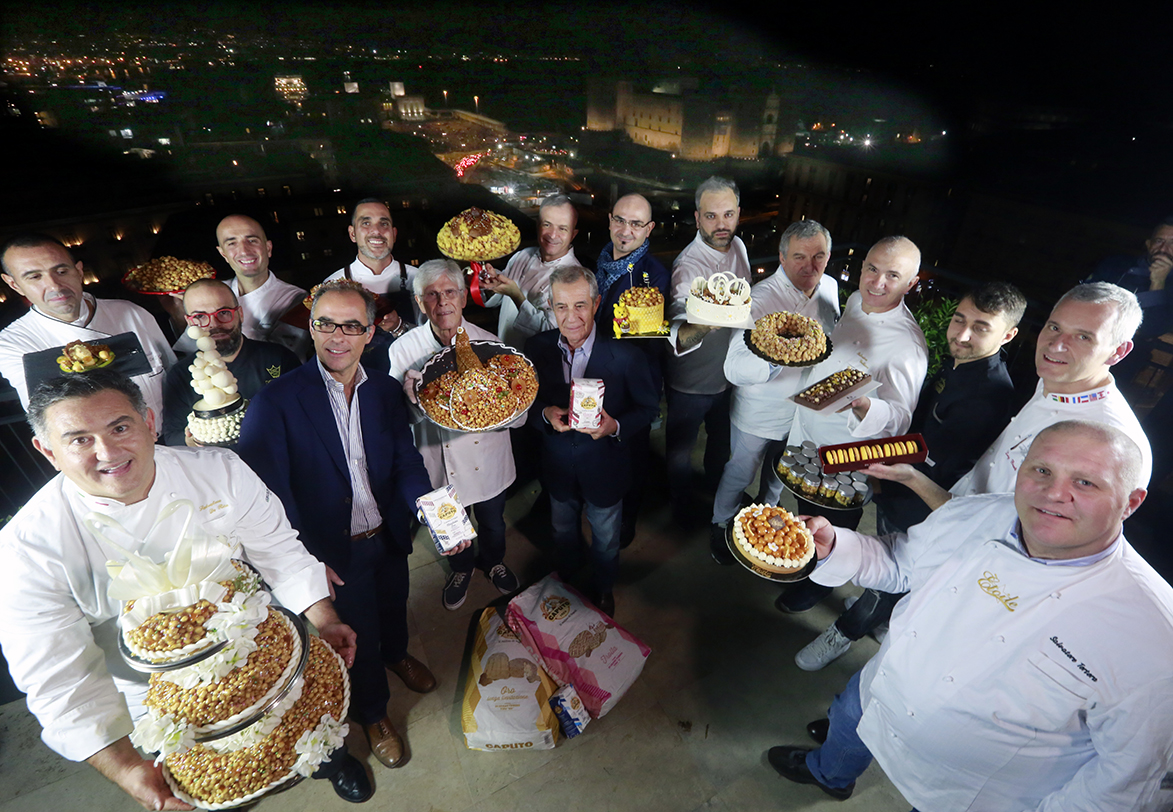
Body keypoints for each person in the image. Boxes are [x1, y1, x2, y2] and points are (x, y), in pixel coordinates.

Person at [0, 370, 369, 808]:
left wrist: (324, 618)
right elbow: (58, 677)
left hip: (266, 656)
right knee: (224, 787)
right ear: (48, 451)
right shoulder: (26, 549)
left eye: (120, 427)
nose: (108, 452)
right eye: (79, 439)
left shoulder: (217, 471)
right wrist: (129, 770)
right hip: (164, 704)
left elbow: (278, 550)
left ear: (150, 423)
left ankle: (335, 761)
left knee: (315, 723)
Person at [769, 421, 1173, 812]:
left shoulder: (1155, 636)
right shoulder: (981, 514)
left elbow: (1126, 784)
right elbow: (901, 562)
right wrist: (834, 545)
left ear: (1130, 502)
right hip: (880, 688)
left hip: (965, 792)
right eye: (1042, 470)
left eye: (1085, 482)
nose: (1054, 493)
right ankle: (829, 775)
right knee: (844, 723)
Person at [238, 279, 448, 772]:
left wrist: (437, 516)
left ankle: (399, 655)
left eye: (351, 325)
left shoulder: (385, 392)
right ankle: (374, 713)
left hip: (389, 534)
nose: (338, 335)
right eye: (326, 323)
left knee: (394, 606)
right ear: (310, 329)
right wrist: (305, 563)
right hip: (331, 554)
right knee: (357, 636)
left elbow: (405, 462)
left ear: (370, 332)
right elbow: (267, 500)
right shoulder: (276, 402)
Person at [794, 282, 1025, 671]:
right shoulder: (958, 363)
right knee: (880, 558)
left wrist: (893, 474)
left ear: (1008, 335)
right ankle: (871, 606)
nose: (962, 334)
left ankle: (846, 632)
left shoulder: (989, 396)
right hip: (899, 482)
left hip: (926, 504)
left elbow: (948, 468)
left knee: (895, 575)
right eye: (959, 319)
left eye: (981, 327)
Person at [870, 282, 1153, 512]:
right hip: (947, 519)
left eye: (1083, 337)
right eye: (1054, 327)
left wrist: (912, 480)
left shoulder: (1114, 440)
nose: (1056, 345)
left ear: (1118, 352)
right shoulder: (1052, 383)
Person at [775, 236, 927, 614]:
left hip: (844, 450)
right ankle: (796, 556)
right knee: (801, 501)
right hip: (807, 426)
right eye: (872, 269)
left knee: (833, 518)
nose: (877, 283)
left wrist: (862, 405)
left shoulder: (908, 346)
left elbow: (899, 418)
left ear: (911, 283)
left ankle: (817, 582)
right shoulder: (857, 301)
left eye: (893, 276)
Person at [388, 259, 522, 610]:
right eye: (431, 295)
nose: (442, 302)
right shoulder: (402, 350)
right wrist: (415, 402)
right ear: (420, 303)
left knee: (493, 523)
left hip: (487, 458)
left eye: (450, 292)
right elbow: (395, 418)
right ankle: (461, 569)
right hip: (438, 461)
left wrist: (496, 413)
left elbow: (516, 409)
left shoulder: (491, 344)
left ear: (464, 298)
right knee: (453, 533)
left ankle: (492, 561)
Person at [525, 266, 659, 617]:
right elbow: (523, 403)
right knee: (562, 529)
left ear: (597, 303)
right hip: (556, 466)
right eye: (561, 307)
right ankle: (567, 580)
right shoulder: (535, 349)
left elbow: (648, 409)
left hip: (605, 468)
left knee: (605, 538)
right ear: (550, 307)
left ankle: (603, 588)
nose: (571, 318)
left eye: (581, 306)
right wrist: (544, 414)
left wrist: (615, 425)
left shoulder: (628, 355)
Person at [711, 220, 840, 565]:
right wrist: (775, 357)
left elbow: (829, 344)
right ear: (782, 258)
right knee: (740, 471)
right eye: (799, 256)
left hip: (803, 412)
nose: (809, 267)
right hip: (759, 410)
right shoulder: (759, 299)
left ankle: (770, 517)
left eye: (819, 256)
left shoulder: (829, 287)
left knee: (780, 474)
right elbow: (733, 367)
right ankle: (720, 522)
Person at [0, 234, 175, 419]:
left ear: (79, 271)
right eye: (35, 277)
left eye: (61, 272)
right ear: (14, 284)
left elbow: (174, 374)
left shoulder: (131, 312)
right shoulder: (12, 344)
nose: (54, 286)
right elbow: (48, 416)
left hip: (172, 438)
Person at [664, 176, 752, 518]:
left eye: (728, 214)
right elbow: (678, 332)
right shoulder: (688, 266)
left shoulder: (740, 247)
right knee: (679, 452)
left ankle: (717, 494)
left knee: (720, 442)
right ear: (697, 217)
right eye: (711, 216)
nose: (721, 224)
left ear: (738, 213)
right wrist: (709, 319)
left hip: (729, 373)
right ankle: (681, 508)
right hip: (691, 380)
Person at [594, 193, 671, 546]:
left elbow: (654, 340)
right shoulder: (599, 260)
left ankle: (626, 522)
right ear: (610, 220)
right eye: (620, 220)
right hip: (596, 372)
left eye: (636, 223)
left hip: (634, 380)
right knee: (599, 446)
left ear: (649, 229)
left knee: (632, 455)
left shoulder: (653, 275)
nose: (626, 230)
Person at [160, 278, 299, 447]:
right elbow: (172, 436)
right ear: (190, 322)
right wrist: (191, 440)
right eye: (200, 316)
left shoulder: (279, 358)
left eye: (223, 312)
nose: (214, 324)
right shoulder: (181, 375)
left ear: (239, 314)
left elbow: (304, 418)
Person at [321, 198, 418, 373]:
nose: (376, 231)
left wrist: (399, 326)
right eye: (366, 223)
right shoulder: (331, 287)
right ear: (352, 234)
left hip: (415, 376)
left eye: (384, 224)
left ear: (394, 234)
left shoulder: (419, 279)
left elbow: (435, 336)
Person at [481, 194, 582, 351]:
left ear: (573, 234)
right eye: (547, 225)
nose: (553, 235)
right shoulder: (523, 255)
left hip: (537, 364)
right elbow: (499, 298)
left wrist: (517, 296)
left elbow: (552, 332)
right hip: (503, 352)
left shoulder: (574, 277)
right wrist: (489, 282)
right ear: (537, 225)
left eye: (562, 228)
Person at [213, 213, 308, 355]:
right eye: (232, 243)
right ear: (223, 254)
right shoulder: (213, 293)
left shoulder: (298, 298)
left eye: (252, 240)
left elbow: (285, 354)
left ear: (268, 248)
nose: (244, 251)